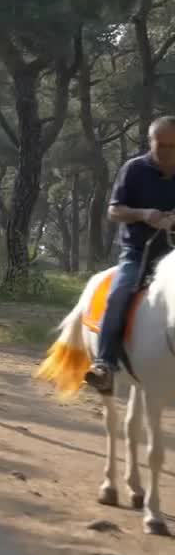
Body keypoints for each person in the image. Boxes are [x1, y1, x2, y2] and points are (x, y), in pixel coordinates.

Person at [88, 115, 175, 395]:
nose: (166, 151)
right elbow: (114, 211)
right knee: (119, 294)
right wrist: (143, 215)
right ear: (150, 141)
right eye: (160, 144)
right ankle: (104, 365)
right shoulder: (134, 169)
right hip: (139, 253)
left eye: (173, 146)